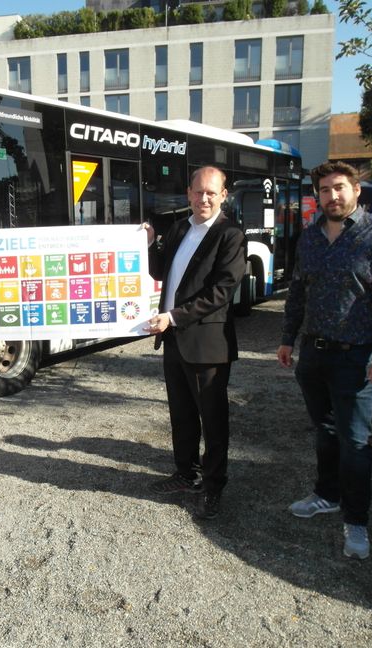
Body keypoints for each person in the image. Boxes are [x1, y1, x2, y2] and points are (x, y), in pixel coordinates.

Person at [277, 161, 372, 560]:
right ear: (316, 195)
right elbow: (298, 292)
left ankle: (356, 521)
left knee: (355, 442)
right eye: (324, 190)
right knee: (325, 430)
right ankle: (326, 495)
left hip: (358, 358)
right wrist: (288, 338)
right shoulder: (311, 238)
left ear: (356, 191)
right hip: (314, 354)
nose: (332, 196)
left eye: (339, 188)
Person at [143, 166, 246, 520]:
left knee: (213, 420)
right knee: (182, 414)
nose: (204, 199)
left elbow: (222, 290)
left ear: (223, 195)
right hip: (173, 339)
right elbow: (161, 272)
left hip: (207, 343)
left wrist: (172, 317)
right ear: (188, 193)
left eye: (211, 193)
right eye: (198, 192)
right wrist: (146, 245)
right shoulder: (180, 228)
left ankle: (214, 486)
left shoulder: (230, 234)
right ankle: (185, 473)